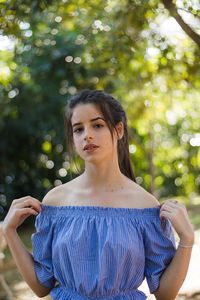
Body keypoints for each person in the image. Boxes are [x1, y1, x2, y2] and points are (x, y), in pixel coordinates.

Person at [2, 89, 194, 300]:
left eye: (97, 125)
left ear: (118, 130)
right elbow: (41, 287)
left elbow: (165, 295)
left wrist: (187, 239)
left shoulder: (145, 206)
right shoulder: (55, 202)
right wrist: (9, 231)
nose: (87, 135)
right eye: (78, 129)